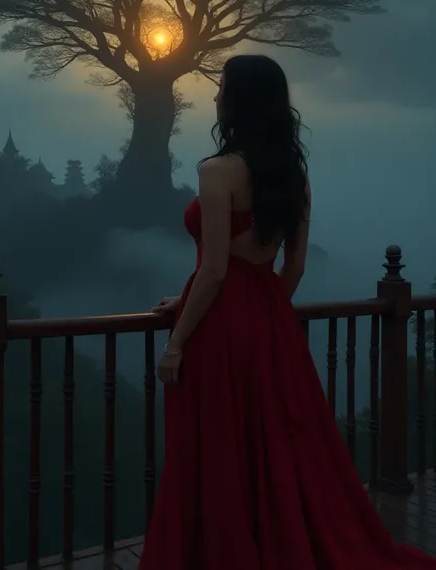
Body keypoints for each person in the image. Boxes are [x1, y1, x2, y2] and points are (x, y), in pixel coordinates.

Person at [139, 55, 436, 570]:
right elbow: (292, 270)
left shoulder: (216, 171)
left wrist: (176, 341)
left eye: (222, 88)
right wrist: (244, 309)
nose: (214, 98)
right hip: (271, 322)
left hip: (221, 327)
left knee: (218, 446)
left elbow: (213, 271)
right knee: (272, 443)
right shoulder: (293, 175)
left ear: (239, 102)